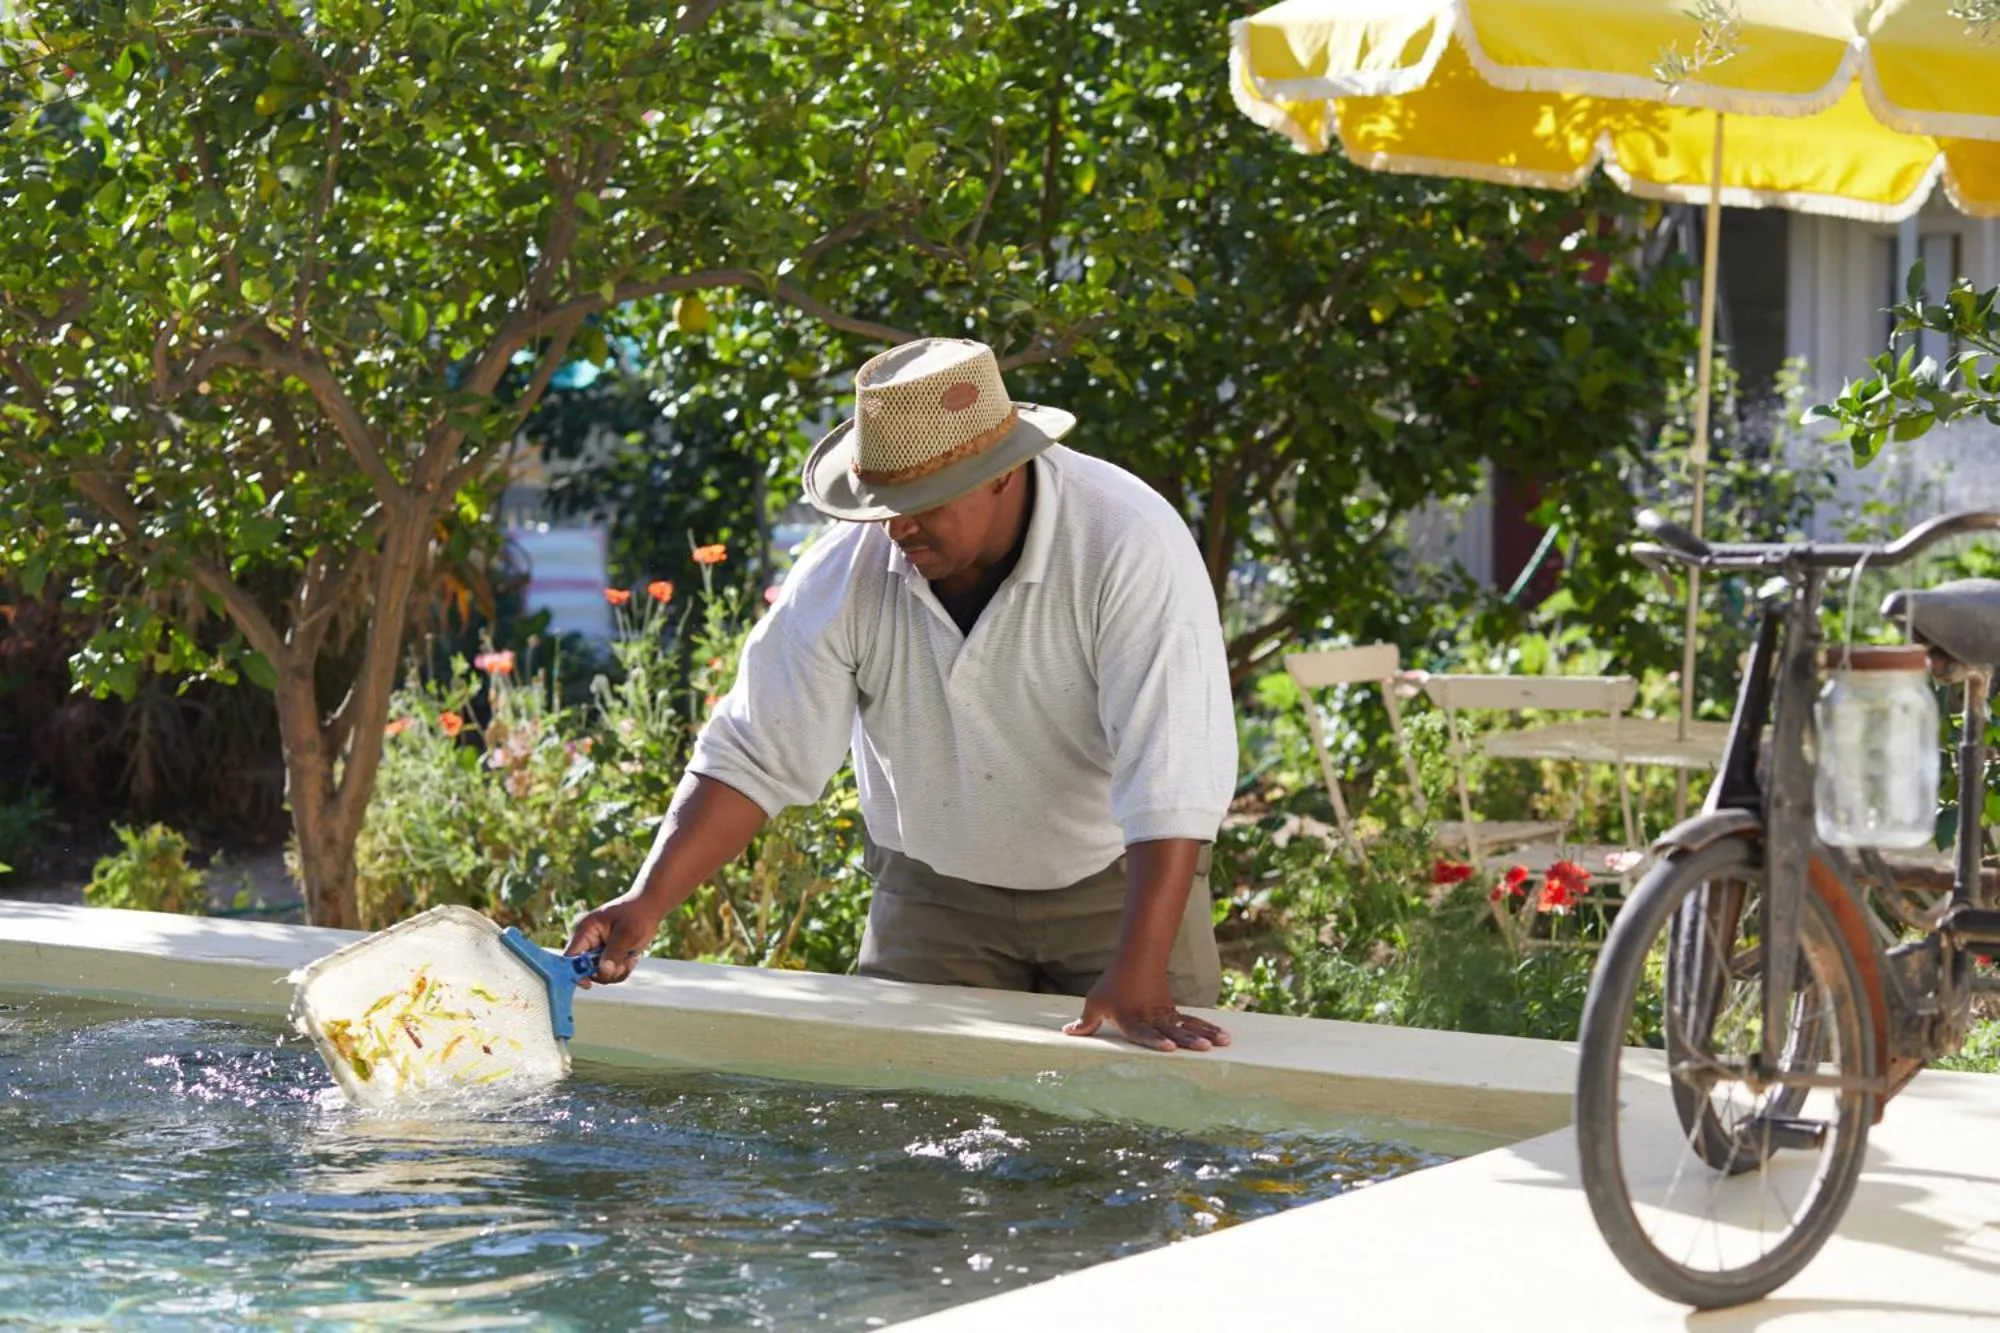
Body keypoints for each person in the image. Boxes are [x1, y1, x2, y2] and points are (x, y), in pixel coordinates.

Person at [564, 337, 1237, 1053]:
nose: (897, 526)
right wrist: (647, 898)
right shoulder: (848, 571)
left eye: (921, 501)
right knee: (914, 1127)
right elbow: (755, 752)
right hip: (934, 897)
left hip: (1121, 885)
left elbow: (1172, 770)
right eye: (882, 502)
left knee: (1148, 1133)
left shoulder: (1128, 543)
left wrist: (1139, 966)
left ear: (1003, 474)